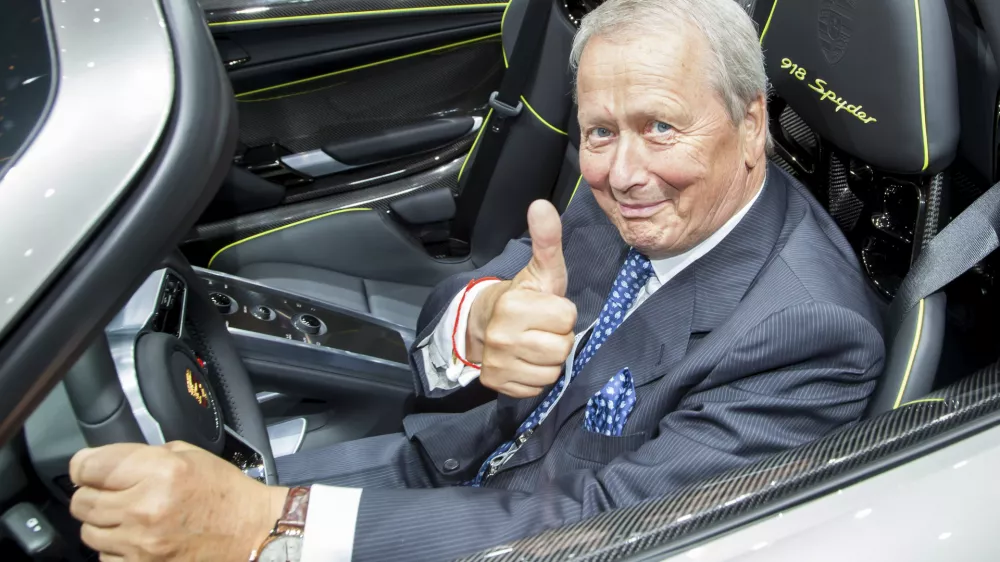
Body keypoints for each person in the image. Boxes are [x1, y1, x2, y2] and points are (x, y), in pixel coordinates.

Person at [66, 0, 885, 560]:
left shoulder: (807, 336)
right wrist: (477, 324)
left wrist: (269, 523)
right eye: (599, 130)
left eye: (660, 128)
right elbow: (467, 310)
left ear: (750, 126)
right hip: (433, 471)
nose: (623, 172)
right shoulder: (641, 192)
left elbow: (597, 532)